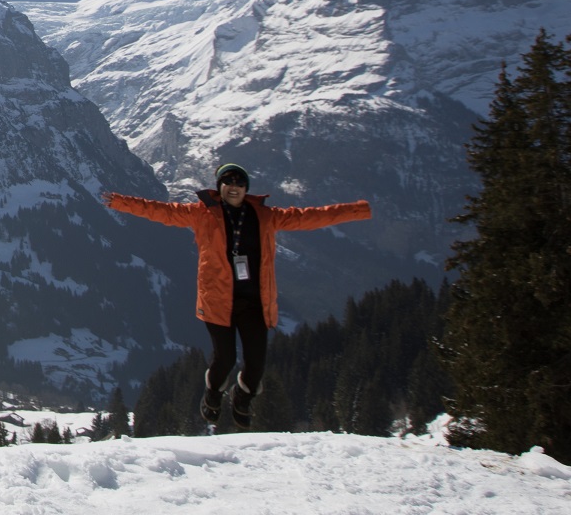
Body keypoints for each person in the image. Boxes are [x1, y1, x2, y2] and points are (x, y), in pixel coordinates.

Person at [103, 165, 371, 428]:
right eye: (228, 182)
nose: (234, 188)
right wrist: (119, 202)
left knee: (256, 363)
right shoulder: (202, 213)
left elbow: (309, 217)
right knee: (226, 359)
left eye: (240, 183)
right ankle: (213, 394)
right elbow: (160, 211)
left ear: (246, 188)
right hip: (218, 301)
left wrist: (357, 210)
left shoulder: (265, 216)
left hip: (255, 302)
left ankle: (242, 396)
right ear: (219, 187)